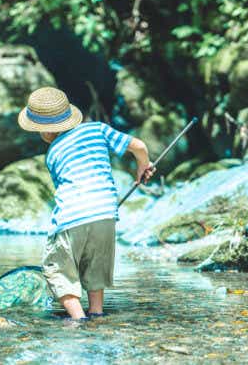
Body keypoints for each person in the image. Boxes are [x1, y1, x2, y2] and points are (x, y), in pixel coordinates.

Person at [17, 87, 156, 321]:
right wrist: (143, 166)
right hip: (105, 215)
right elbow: (139, 147)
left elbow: (65, 192)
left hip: (72, 217)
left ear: (44, 131)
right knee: (95, 268)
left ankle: (79, 320)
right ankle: (97, 314)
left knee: (57, 270)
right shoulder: (97, 129)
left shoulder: (52, 153)